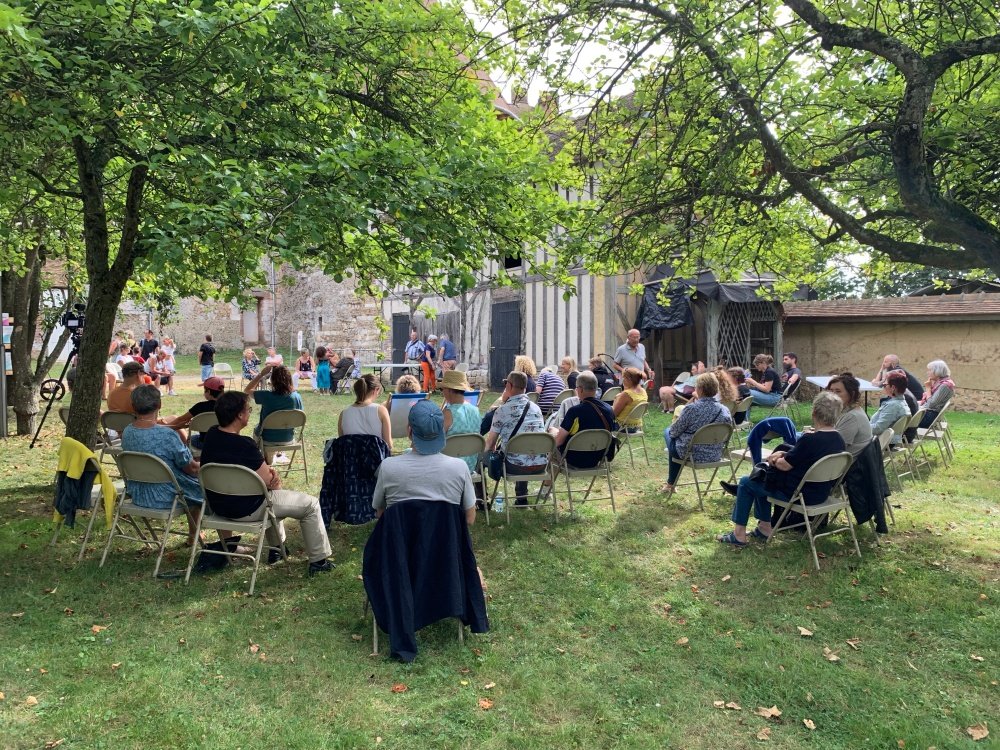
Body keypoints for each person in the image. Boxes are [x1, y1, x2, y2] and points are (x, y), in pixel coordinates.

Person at [200, 391, 333, 576]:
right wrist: (274, 479)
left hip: (219, 506)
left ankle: (277, 550)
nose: (249, 413)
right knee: (310, 505)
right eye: (248, 409)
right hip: (248, 509)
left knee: (273, 498)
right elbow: (269, 481)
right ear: (239, 415)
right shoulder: (245, 445)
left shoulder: (211, 435)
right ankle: (319, 561)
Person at [717, 392, 846, 546]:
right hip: (820, 494)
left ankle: (739, 535)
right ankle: (765, 527)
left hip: (799, 496)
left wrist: (775, 458)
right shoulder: (839, 440)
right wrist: (784, 453)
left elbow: (784, 465)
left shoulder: (809, 439)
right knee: (763, 479)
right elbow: (806, 457)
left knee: (747, 481)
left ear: (814, 413)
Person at [120, 385, 205, 546]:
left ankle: (194, 534)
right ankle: (195, 535)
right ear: (159, 405)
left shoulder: (127, 432)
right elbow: (192, 469)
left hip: (137, 492)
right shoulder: (167, 435)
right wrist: (210, 465)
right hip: (166, 495)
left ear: (133, 406)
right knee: (200, 487)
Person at [372, 399, 476, 527]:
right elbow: (469, 519)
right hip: (445, 545)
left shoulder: (387, 467)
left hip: (400, 545)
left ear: (409, 431)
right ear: (441, 432)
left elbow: (380, 513)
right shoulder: (460, 468)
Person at [661, 373, 732, 493]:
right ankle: (670, 484)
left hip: (691, 454)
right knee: (676, 440)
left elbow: (674, 433)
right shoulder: (725, 410)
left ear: (700, 389)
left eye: (696, 387)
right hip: (715, 454)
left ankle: (670, 484)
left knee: (668, 432)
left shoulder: (691, 409)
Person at [485, 371, 545, 505]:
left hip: (513, 467)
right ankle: (521, 499)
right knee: (524, 449)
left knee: (481, 456)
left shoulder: (502, 411)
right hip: (540, 465)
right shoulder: (536, 408)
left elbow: (490, 444)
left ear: (509, 386)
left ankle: (482, 498)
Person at [554, 371, 619, 469]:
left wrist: (553, 432)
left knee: (552, 439)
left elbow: (558, 441)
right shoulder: (609, 409)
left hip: (573, 459)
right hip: (599, 458)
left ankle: (547, 484)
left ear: (580, 389)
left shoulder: (574, 411)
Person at [244, 364, 303, 454]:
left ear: (272, 380)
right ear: (289, 379)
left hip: (266, 439)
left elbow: (247, 390)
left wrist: (261, 374)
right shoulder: (296, 397)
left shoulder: (266, 396)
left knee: (257, 429)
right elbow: (299, 418)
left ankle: (266, 457)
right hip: (288, 439)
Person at [163, 376, 226, 449]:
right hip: (225, 442)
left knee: (189, 439)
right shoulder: (230, 406)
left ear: (208, 392)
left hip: (204, 443)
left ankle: (192, 459)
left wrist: (166, 427)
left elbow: (181, 419)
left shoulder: (200, 407)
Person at [440, 370, 482, 474]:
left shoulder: (447, 414)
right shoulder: (476, 410)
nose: (442, 392)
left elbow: (436, 441)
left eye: (443, 388)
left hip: (448, 467)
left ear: (449, 390)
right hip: (471, 466)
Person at [338, 373, 393, 450]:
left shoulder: (343, 414)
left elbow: (342, 444)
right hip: (377, 461)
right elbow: (389, 445)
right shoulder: (381, 410)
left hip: (350, 460)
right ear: (376, 390)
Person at [826, 373, 872, 458]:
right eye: (831, 391)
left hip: (844, 467)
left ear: (852, 394)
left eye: (838, 391)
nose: (832, 395)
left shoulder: (852, 416)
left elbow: (833, 448)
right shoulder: (847, 411)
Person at [869, 370, 911, 446]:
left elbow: (878, 429)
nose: (883, 387)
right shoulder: (902, 402)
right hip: (888, 441)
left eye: (885, 385)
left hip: (880, 443)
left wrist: (861, 427)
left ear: (893, 388)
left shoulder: (893, 406)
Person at [919, 359, 955, 428]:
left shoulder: (945, 385)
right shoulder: (938, 383)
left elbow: (931, 404)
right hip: (926, 414)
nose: (927, 372)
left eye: (930, 370)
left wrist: (928, 388)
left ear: (937, 371)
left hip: (928, 417)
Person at [612, 367, 648, 431]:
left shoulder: (626, 394)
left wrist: (616, 398)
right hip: (637, 426)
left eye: (623, 378)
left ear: (628, 379)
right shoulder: (643, 391)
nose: (622, 380)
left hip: (623, 427)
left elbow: (614, 414)